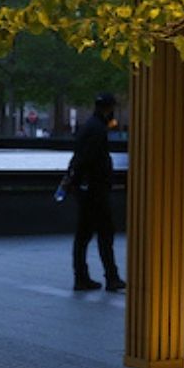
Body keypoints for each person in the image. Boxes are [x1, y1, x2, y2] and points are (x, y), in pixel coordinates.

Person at [69, 93, 126, 292]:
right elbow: (92, 159)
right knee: (104, 234)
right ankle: (110, 276)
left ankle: (82, 276)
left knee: (84, 235)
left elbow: (80, 158)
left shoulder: (89, 126)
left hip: (87, 189)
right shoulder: (98, 129)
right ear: (109, 108)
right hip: (95, 190)